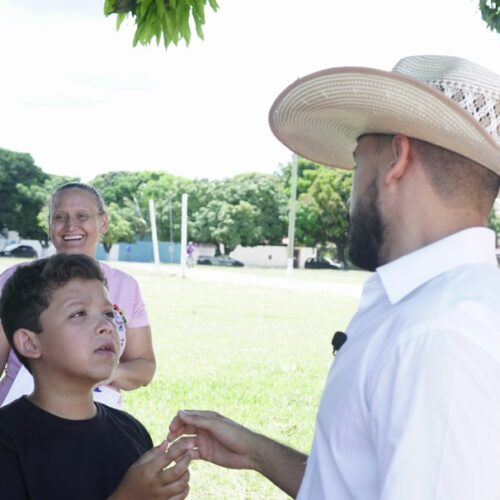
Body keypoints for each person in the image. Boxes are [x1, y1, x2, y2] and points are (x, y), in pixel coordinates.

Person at [167, 54, 500, 499]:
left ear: (396, 159)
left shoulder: (439, 333)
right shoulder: (435, 307)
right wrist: (258, 453)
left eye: (358, 162)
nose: (350, 194)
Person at [0, 254, 191, 499]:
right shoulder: (8, 439)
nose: (105, 325)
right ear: (29, 343)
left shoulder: (131, 431)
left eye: (109, 313)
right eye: (79, 313)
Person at [0, 182, 155, 409]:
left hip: (99, 419)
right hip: (20, 412)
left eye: (82, 216)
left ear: (102, 222)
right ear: (50, 225)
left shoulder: (126, 286)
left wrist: (100, 372)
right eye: (60, 217)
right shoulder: (17, 279)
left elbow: (145, 366)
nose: (70, 226)